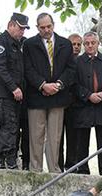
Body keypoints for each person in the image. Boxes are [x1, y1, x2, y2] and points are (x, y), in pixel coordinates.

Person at [23, 13, 75, 173]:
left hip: (58, 97)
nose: (46, 30)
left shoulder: (66, 44)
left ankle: (54, 170)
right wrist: (43, 85)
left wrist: (58, 85)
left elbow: (71, 68)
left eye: (49, 26)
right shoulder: (29, 44)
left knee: (55, 137)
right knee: (36, 136)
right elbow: (27, 68)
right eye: (42, 27)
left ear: (53, 25)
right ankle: (35, 170)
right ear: (37, 27)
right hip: (37, 96)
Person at [0, 13, 29, 169]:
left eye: (24, 29)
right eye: (20, 28)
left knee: (11, 127)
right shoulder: (1, 42)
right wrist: (14, 88)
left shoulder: (17, 44)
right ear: (11, 25)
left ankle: (8, 160)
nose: (22, 32)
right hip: (3, 94)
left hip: (12, 95)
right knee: (7, 127)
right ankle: (6, 162)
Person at [74, 32, 102, 175]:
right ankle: (83, 172)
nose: (90, 45)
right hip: (83, 108)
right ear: (84, 45)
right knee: (81, 144)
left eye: (93, 43)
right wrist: (88, 95)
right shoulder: (76, 62)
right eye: (87, 43)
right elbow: (74, 84)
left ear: (98, 44)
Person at [60, 33, 83, 172]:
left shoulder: (82, 61)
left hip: (77, 105)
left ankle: (72, 166)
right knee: (58, 138)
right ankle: (58, 166)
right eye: (73, 44)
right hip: (61, 103)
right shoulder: (62, 60)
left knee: (74, 138)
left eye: (78, 44)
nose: (76, 47)